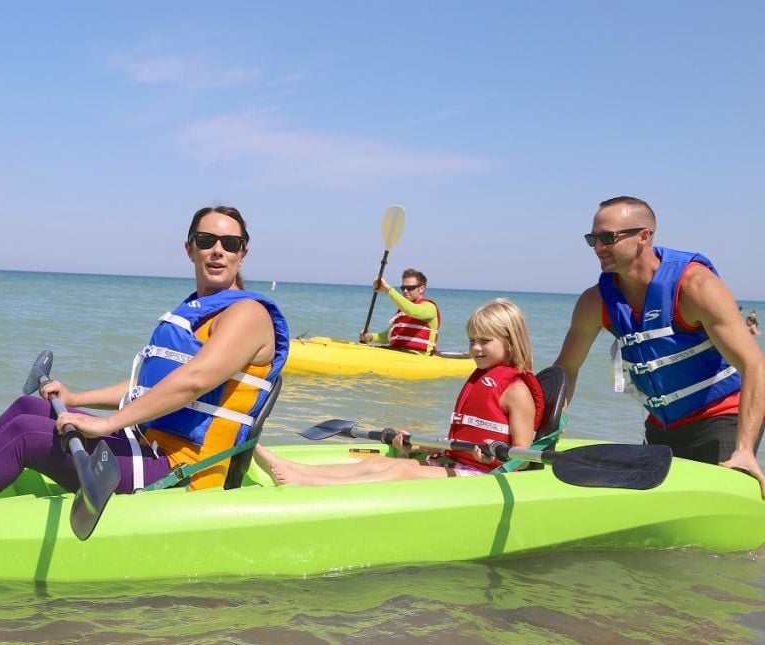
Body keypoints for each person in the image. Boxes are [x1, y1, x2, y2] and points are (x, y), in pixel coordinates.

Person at [0, 206, 290, 500]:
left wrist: (108, 425)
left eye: (229, 244)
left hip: (181, 474)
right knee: (29, 408)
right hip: (147, 445)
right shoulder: (197, 310)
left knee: (27, 436)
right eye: (206, 239)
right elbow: (147, 389)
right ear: (189, 247)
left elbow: (194, 382)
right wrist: (78, 400)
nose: (217, 250)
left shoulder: (247, 313)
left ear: (243, 253)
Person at [553, 196, 765, 497]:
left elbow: (755, 365)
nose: (598, 247)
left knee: (711, 513)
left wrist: (745, 449)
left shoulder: (695, 287)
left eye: (607, 237)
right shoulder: (596, 301)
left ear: (643, 236)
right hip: (661, 427)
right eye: (593, 239)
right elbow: (566, 369)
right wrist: (548, 424)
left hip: (720, 419)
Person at [257, 298, 543, 485]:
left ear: (510, 341)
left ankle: (307, 483)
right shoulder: (483, 378)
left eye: (485, 341)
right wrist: (423, 446)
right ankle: (296, 469)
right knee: (377, 462)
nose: (476, 348)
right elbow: (461, 438)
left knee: (399, 470)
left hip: (481, 476)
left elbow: (522, 457)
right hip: (456, 461)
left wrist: (490, 457)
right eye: (472, 341)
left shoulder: (516, 391)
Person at [358, 268, 441, 354]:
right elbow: (388, 337)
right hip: (396, 353)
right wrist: (369, 337)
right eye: (403, 288)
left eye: (410, 288)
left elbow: (412, 310)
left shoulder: (430, 307)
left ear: (422, 289)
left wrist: (388, 289)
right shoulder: (402, 310)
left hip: (417, 357)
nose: (405, 291)